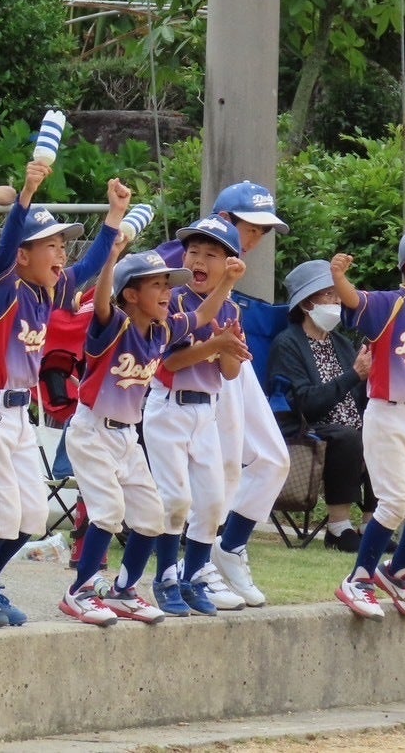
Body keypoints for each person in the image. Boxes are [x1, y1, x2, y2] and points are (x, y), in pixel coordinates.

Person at [0, 160, 125, 630]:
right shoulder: (1, 288)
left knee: (34, 517)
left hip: (20, 416)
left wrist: (113, 218)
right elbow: (5, 248)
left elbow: (87, 268)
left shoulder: (48, 291)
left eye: (62, 244)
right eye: (51, 245)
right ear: (23, 256)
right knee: (5, 515)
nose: (61, 253)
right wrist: (26, 193)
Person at [60, 243, 243, 626]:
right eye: (157, 285)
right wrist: (112, 258)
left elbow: (203, 314)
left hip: (127, 437)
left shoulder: (162, 329)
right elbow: (104, 302)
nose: (166, 292)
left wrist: (227, 280)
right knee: (109, 512)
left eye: (167, 284)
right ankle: (80, 591)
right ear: (131, 294)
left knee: (152, 516)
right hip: (91, 432)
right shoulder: (113, 326)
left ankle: (124, 591)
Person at [161, 181, 292, 608]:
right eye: (249, 227)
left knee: (274, 458)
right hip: (184, 376)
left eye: (261, 231)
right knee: (224, 466)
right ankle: (197, 567)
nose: (255, 238)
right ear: (224, 219)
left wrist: (225, 348)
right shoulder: (182, 257)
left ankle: (229, 549)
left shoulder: (229, 261)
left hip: (224, 357)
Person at [144, 216, 253, 616]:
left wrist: (228, 347)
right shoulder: (172, 300)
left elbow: (230, 372)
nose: (199, 260)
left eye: (211, 254)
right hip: (169, 407)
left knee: (211, 501)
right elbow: (169, 363)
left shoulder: (231, 308)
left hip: (206, 410)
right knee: (175, 499)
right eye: (193, 251)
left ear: (230, 264)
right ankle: (165, 578)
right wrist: (216, 344)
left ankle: (192, 578)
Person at [328, 229, 405, 620]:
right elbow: (356, 300)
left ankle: (396, 573)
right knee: (393, 503)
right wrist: (338, 277)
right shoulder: (392, 303)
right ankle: (358, 580)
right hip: (388, 414)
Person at [266, 259, 372, 552]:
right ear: (305, 303)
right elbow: (305, 403)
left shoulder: (341, 343)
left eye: (338, 295)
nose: (337, 301)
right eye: (328, 294)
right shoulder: (287, 343)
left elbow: (359, 395)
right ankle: (338, 528)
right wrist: (354, 375)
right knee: (347, 436)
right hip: (306, 426)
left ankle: (371, 524)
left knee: (384, 428)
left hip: (349, 426)